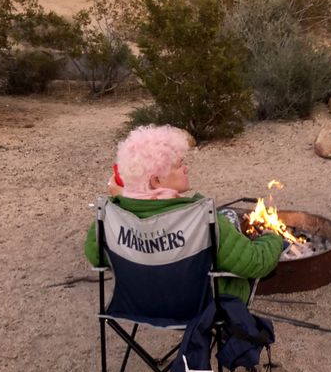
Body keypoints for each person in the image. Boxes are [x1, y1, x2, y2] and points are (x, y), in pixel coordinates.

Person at [84, 124, 284, 302]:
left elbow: (96, 257)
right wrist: (272, 238)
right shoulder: (199, 218)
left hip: (140, 303)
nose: (186, 168)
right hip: (201, 304)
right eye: (179, 165)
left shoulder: (111, 217)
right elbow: (256, 262)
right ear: (156, 181)